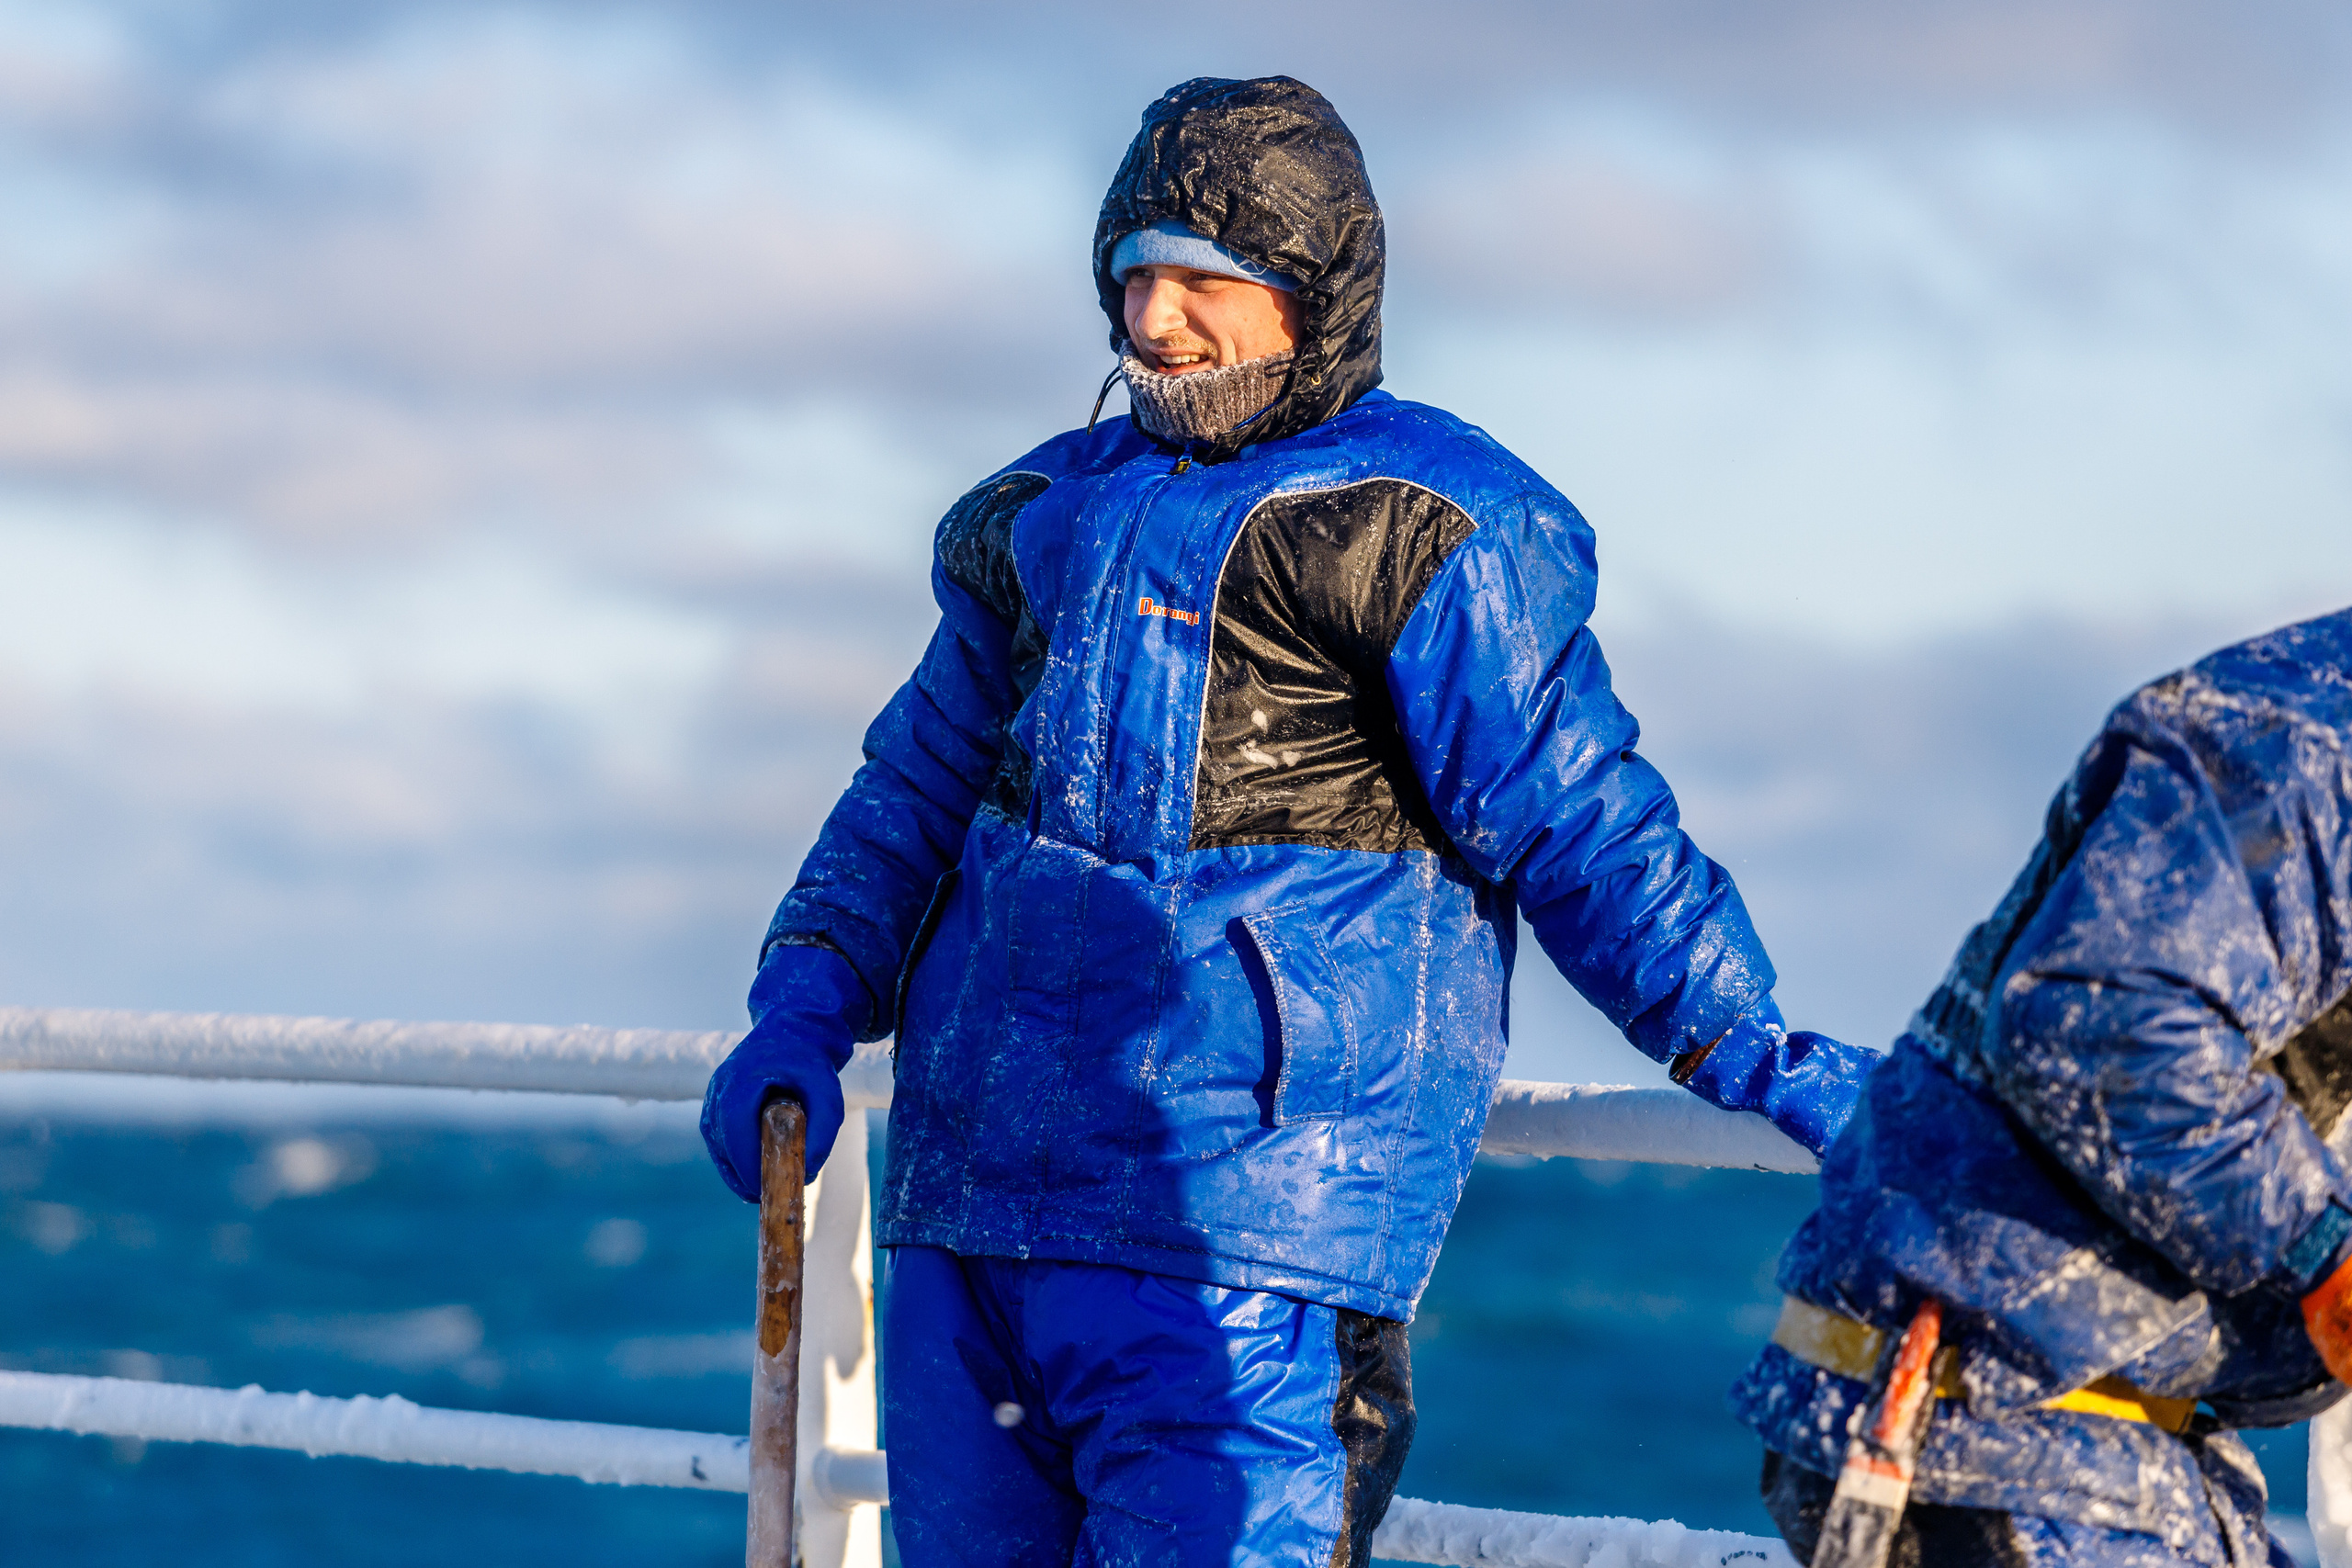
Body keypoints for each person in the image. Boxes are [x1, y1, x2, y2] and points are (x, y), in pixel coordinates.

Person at [702, 75, 1874, 1567]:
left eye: (1203, 278)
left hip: (1250, 1246)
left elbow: (1582, 825)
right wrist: (798, 1006)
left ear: (1310, 294)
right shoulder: (1033, 519)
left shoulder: (1424, 522)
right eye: (1133, 276)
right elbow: (911, 790)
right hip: (969, 1219)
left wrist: (1752, 1048)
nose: (1154, 322)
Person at [1733, 608, 2352, 1568]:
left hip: (2133, 1449)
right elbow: (2100, 1019)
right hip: (1996, 1437)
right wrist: (2324, 1253)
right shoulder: (2311, 741)